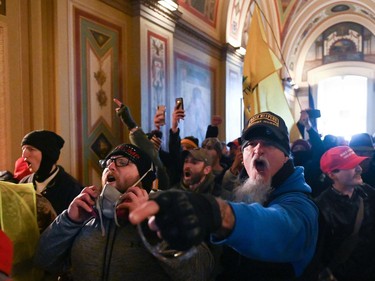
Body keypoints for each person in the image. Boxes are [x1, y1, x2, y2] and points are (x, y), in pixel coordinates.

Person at [130, 111, 319, 280]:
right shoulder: (246, 193)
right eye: (251, 144)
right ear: (243, 157)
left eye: (269, 143)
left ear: (286, 155)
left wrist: (217, 212)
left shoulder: (301, 206)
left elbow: (277, 226)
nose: (258, 149)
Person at [34, 143, 214, 281]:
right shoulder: (86, 213)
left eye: (122, 162)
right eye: (108, 163)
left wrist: (153, 225)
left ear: (144, 178)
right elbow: (44, 260)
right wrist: (69, 220)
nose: (110, 167)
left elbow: (200, 270)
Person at [315, 146, 375, 281]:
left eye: (358, 163)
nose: (359, 168)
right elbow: (319, 254)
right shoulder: (322, 207)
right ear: (332, 174)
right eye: (351, 165)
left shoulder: (367, 192)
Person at [19, 130, 83, 214]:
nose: (24, 155)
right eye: (23, 149)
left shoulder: (72, 189)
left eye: (31, 149)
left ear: (47, 155)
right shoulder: (23, 184)